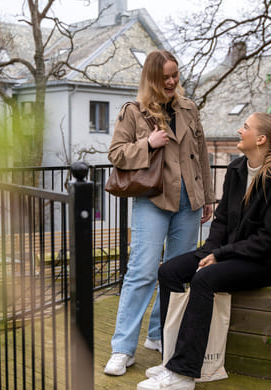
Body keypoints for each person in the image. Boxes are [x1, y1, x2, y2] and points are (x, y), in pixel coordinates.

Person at [137, 112, 271, 390]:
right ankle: (171, 360)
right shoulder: (237, 169)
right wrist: (210, 252)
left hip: (264, 262)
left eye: (245, 127)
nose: (239, 130)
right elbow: (222, 220)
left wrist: (220, 256)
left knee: (204, 279)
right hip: (229, 253)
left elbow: (269, 240)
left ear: (260, 139)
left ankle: (185, 374)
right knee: (169, 271)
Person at [104, 50, 215, 376]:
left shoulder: (189, 108)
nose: (171, 81)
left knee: (177, 274)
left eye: (175, 75)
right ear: (152, 78)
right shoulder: (133, 111)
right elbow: (116, 154)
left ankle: (158, 335)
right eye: (165, 76)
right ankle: (122, 348)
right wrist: (148, 144)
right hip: (153, 200)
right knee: (142, 271)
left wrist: (207, 196)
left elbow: (201, 155)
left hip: (188, 203)